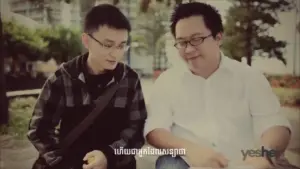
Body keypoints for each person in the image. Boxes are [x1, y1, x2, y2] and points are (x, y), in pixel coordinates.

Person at [144, 2, 292, 169]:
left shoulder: (250, 77)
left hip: (241, 162)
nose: (189, 50)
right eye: (182, 42)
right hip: (186, 161)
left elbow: (275, 124)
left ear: (218, 38)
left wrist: (262, 156)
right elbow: (155, 129)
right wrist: (191, 150)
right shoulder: (167, 81)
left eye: (196, 39)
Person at [27, 4, 147, 169]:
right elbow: (39, 130)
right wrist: (65, 163)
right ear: (86, 40)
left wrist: (109, 156)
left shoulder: (130, 80)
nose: (115, 53)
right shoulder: (62, 78)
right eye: (107, 44)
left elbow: (136, 130)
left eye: (121, 46)